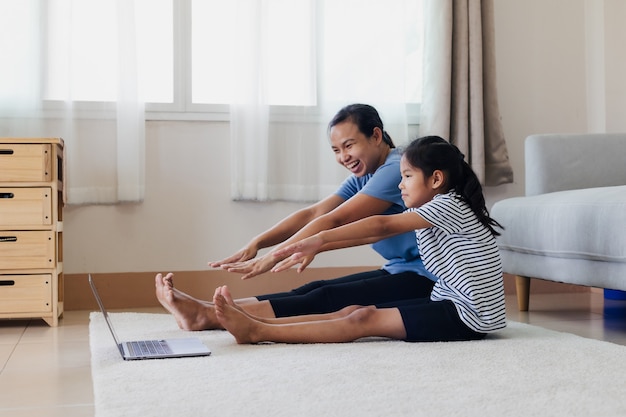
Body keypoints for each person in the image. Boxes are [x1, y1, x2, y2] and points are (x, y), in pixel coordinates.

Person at [155, 103, 438, 331]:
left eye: (349, 145)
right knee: (316, 288)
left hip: (430, 279)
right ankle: (209, 311)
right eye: (336, 150)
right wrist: (259, 243)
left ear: (376, 136)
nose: (343, 157)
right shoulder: (364, 176)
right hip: (400, 270)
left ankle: (207, 316)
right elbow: (314, 213)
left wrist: (275, 256)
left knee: (326, 298)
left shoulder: (395, 168)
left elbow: (337, 220)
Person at [212, 136, 507, 343]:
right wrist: (320, 242)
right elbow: (352, 225)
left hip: (468, 315)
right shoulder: (432, 208)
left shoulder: (448, 204)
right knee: (352, 311)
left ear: (436, 180)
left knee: (361, 320)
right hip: (448, 302)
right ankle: (259, 324)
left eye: (407, 177)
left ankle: (258, 332)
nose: (400, 185)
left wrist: (319, 240)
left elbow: (380, 226)